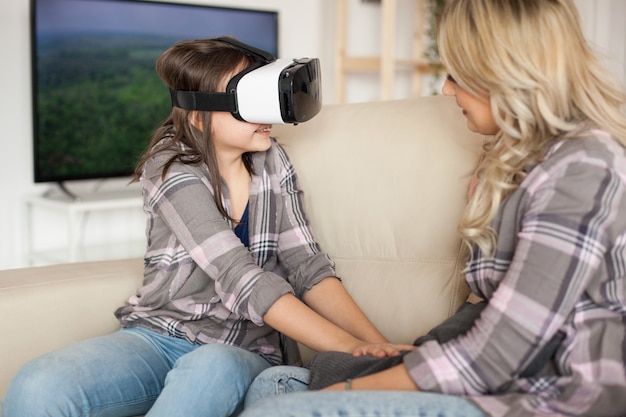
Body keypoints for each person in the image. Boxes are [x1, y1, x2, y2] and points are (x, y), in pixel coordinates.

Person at [239, 0, 626, 416]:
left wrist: (347, 390)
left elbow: (495, 356)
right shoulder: (523, 162)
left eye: (457, 75)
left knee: (276, 411)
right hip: (491, 378)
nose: (445, 90)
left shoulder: (582, 171)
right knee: (271, 385)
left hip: (549, 396)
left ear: (509, 75)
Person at [0, 38, 411, 417]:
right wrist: (348, 347)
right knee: (40, 386)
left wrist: (378, 350)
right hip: (160, 336)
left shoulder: (273, 162)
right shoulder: (170, 168)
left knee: (210, 365)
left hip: (244, 350)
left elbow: (308, 266)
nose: (266, 113)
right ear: (198, 115)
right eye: (247, 98)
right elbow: (240, 276)